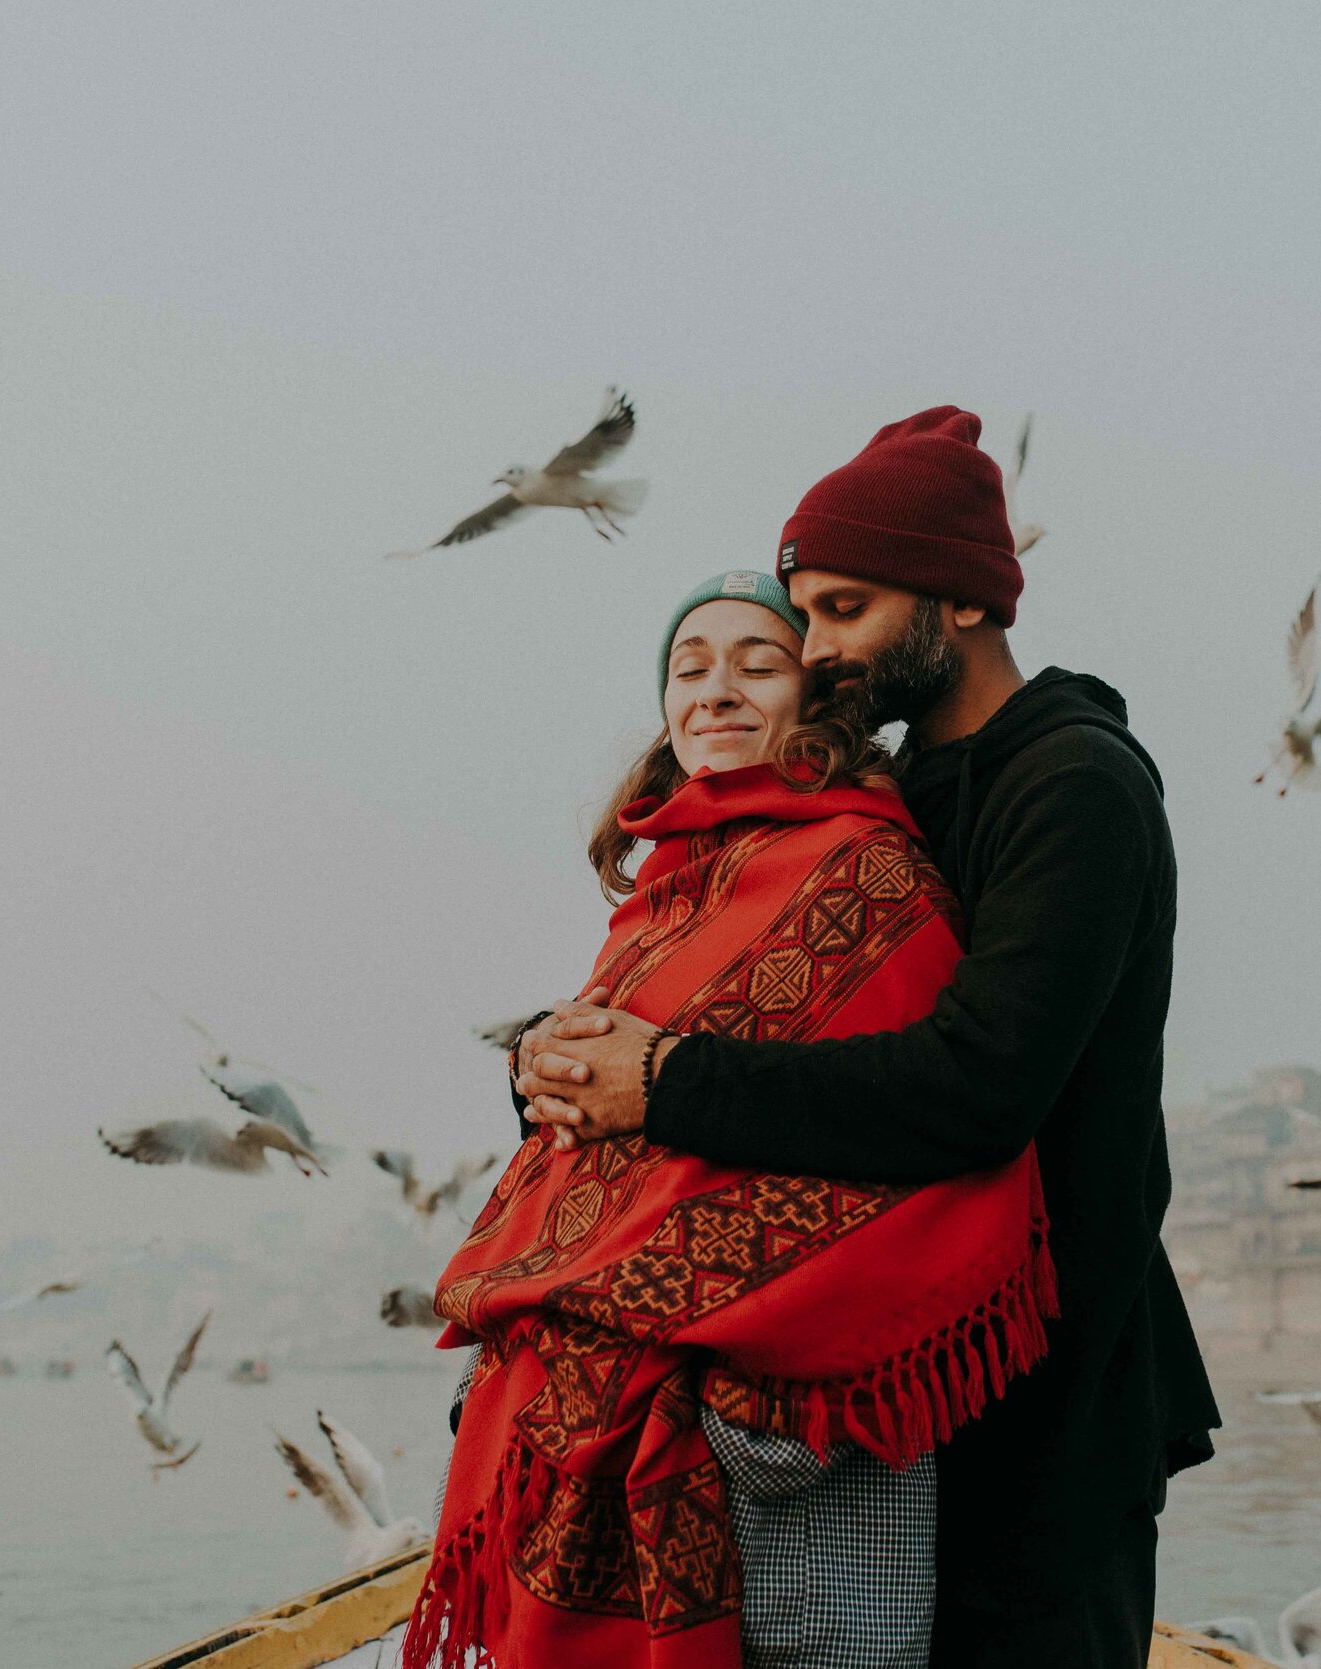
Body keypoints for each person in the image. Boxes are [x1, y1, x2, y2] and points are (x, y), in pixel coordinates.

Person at [514, 408, 1222, 1668]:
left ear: (958, 599)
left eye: (843, 609)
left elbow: (976, 1084)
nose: (814, 645)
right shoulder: (881, 792)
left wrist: (661, 1080)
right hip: (892, 1397)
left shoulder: (1075, 786)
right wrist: (566, 1067)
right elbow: (759, 1011)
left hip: (1048, 1394)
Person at [409, 569, 1056, 1669]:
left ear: (815, 700)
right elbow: (619, 1134)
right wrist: (546, 1069)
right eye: (688, 667)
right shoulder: (668, 890)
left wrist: (722, 1358)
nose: (715, 689)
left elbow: (915, 1130)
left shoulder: (872, 872)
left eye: (758, 664)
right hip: (606, 1402)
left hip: (799, 1417)